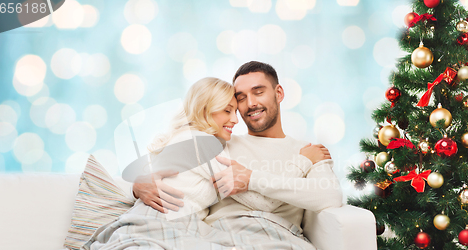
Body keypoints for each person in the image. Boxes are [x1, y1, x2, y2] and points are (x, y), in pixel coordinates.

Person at [133, 61, 342, 232]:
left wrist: (253, 178)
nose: (250, 103)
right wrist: (137, 186)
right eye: (240, 98)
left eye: (258, 92)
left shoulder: (307, 151)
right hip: (214, 237)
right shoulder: (219, 143)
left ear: (278, 93)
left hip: (276, 236)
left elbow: (329, 196)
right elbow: (174, 174)